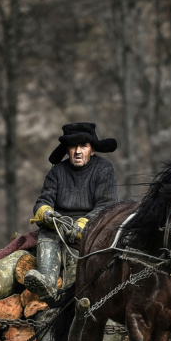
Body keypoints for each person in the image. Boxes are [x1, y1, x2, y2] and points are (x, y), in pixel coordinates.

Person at [24, 122, 118, 302]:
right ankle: (47, 282)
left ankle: (88, 295)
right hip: (59, 225)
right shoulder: (57, 172)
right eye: (73, 146)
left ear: (92, 149)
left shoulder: (104, 169)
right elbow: (43, 200)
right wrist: (46, 213)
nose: (78, 151)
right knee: (46, 233)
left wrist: (84, 223)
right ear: (67, 149)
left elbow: (107, 205)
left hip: (94, 225)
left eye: (83, 146)